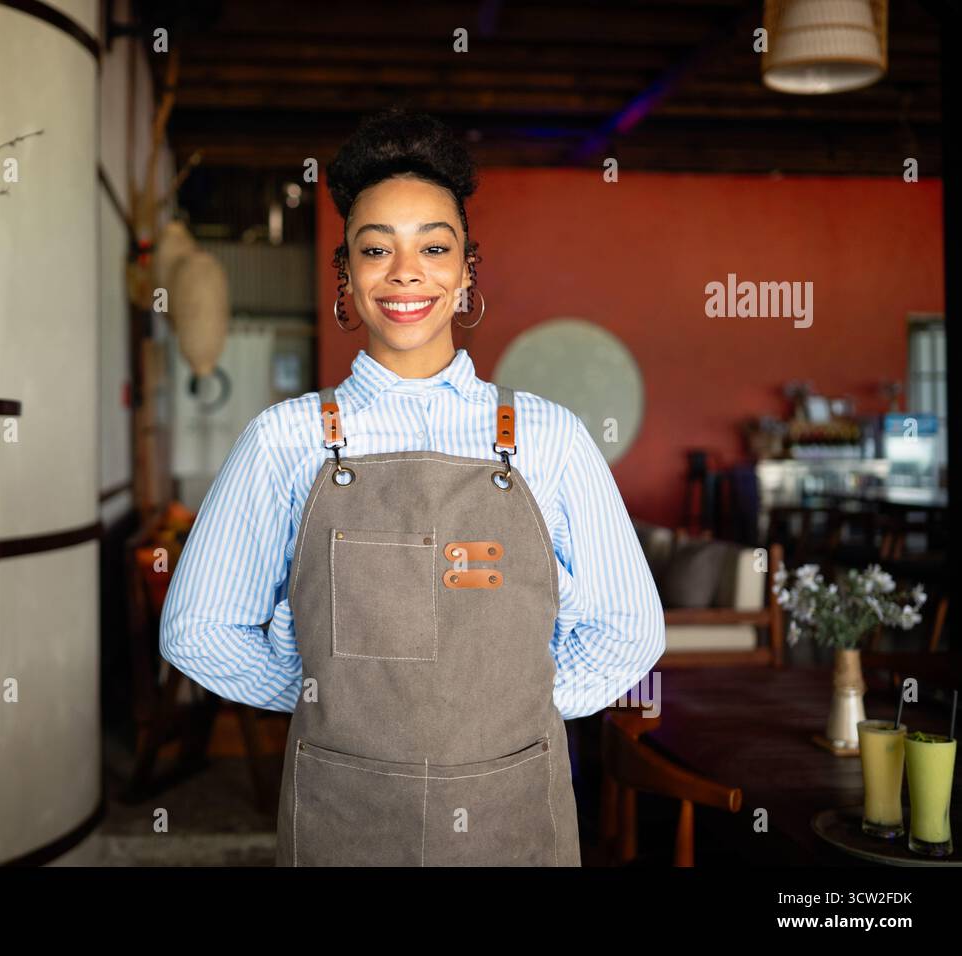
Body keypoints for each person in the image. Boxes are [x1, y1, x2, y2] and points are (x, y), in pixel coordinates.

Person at [160, 106, 665, 866]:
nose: (406, 273)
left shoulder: (547, 438)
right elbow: (196, 630)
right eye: (375, 249)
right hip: (344, 810)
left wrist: (513, 706)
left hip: (510, 807)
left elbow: (630, 629)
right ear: (347, 275)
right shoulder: (285, 440)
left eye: (434, 246)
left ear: (465, 273)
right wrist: (324, 692)